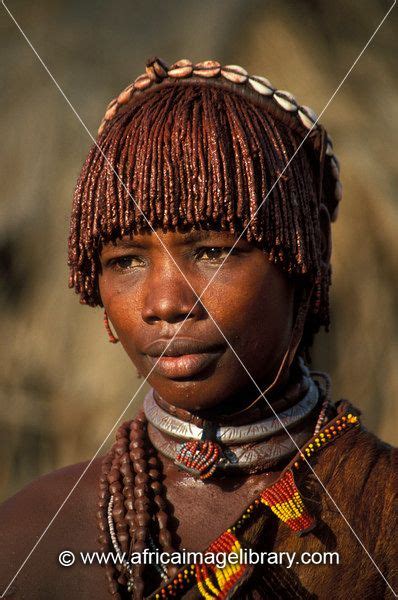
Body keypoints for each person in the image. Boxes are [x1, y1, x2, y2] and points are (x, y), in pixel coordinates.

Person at [0, 58, 396, 600]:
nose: (165, 304)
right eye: (127, 261)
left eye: (213, 251)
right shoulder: (29, 538)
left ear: (303, 266)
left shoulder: (381, 512)